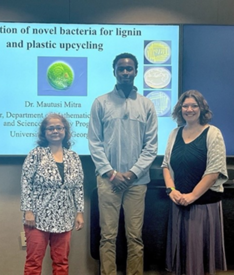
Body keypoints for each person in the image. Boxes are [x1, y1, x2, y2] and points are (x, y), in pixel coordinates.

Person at [88, 52, 158, 275]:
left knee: (135, 237)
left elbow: (151, 146)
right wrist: (111, 173)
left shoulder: (147, 105)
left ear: (136, 71)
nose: (125, 73)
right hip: (108, 181)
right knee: (107, 236)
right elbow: (94, 142)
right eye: (121, 69)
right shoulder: (100, 102)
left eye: (129, 69)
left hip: (136, 183)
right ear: (114, 72)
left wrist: (132, 174)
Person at [162, 90, 228, 275]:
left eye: (194, 105)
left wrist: (192, 196)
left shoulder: (213, 133)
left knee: (198, 261)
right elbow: (166, 165)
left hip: (203, 205)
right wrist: (171, 190)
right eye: (185, 106)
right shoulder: (174, 133)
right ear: (180, 109)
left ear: (201, 109)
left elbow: (213, 172)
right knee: (181, 262)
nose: (189, 109)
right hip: (179, 204)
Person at [20, 113, 84, 275]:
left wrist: (79, 212)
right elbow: (26, 182)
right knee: (33, 262)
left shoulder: (74, 157)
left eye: (59, 128)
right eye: (51, 128)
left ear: (65, 131)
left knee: (61, 262)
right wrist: (28, 211)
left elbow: (78, 187)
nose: (55, 131)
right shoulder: (36, 154)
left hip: (64, 217)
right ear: (44, 132)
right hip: (37, 217)